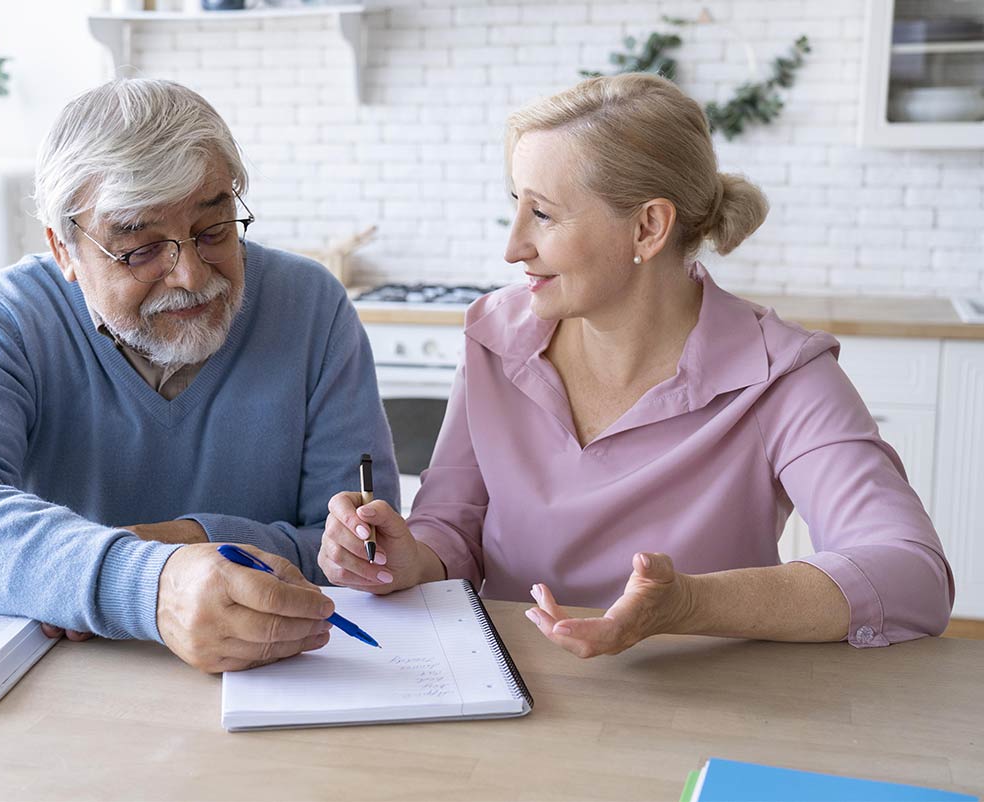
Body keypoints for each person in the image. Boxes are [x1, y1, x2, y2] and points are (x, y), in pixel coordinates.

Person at [319, 73, 953, 658]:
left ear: (648, 228)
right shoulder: (496, 339)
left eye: (542, 212)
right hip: (508, 684)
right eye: (516, 204)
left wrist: (687, 605)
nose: (513, 247)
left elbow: (909, 572)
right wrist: (408, 559)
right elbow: (452, 528)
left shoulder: (781, 374)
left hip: (700, 701)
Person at [0, 78, 399, 673]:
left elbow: (362, 550)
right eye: (140, 249)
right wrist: (146, 581)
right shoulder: (7, 317)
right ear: (65, 251)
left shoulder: (311, 306)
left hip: (285, 676)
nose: (189, 276)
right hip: (67, 684)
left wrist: (184, 539)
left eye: (213, 231)